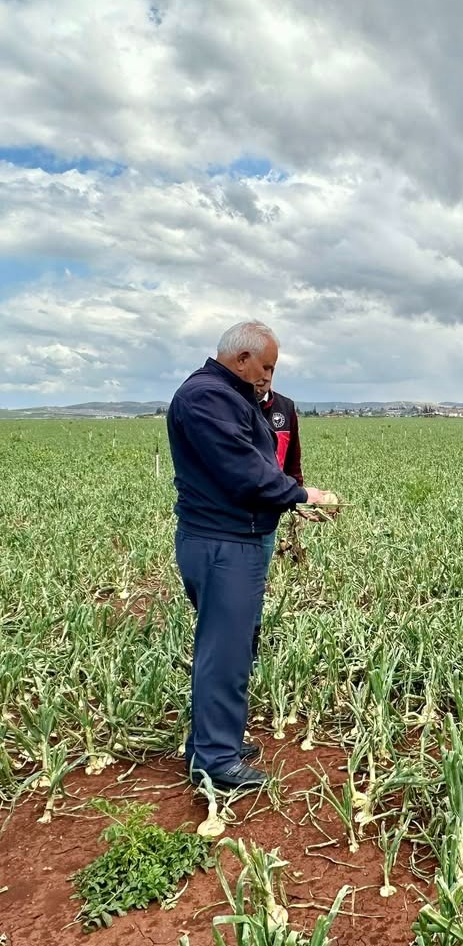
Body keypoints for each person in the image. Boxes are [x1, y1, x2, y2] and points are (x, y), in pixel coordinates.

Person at [167, 321, 331, 789]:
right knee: (225, 651)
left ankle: (214, 743)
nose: (268, 376)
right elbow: (246, 472)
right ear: (241, 360)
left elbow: (261, 465)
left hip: (232, 537)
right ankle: (215, 762)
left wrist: (291, 495)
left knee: (232, 645)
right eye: (266, 366)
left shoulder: (224, 396)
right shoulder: (207, 398)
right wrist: (302, 496)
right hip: (224, 542)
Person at [254, 377, 304, 577]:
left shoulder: (285, 407)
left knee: (259, 576)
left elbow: (293, 460)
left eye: (270, 368)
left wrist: (299, 498)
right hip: (237, 511)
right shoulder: (236, 406)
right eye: (261, 367)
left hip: (269, 509)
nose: (264, 376)